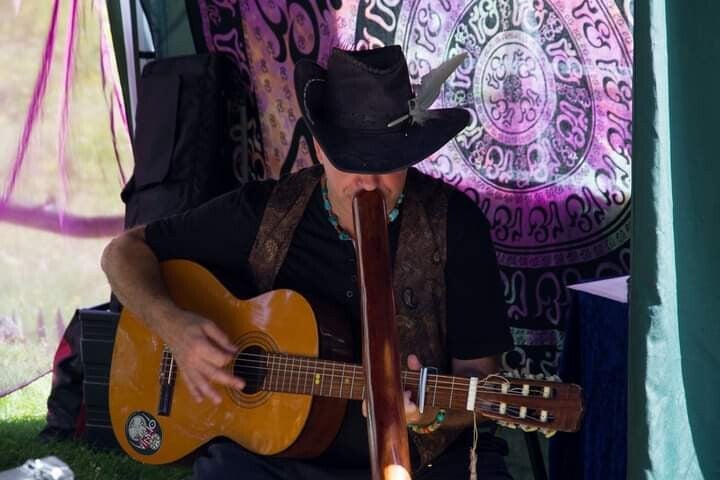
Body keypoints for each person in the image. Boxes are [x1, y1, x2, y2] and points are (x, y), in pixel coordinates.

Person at [101, 45, 514, 479]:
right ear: (319, 148)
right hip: (281, 463)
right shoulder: (264, 211)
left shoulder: (454, 225)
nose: (368, 182)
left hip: (426, 461)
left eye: (387, 163)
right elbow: (123, 253)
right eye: (350, 162)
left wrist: (431, 414)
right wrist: (172, 326)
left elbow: (480, 381)